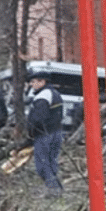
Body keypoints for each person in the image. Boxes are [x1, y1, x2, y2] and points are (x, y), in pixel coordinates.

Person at [26, 70, 64, 198]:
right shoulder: (55, 93)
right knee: (51, 163)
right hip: (56, 132)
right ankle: (58, 189)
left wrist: (31, 135)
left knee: (42, 165)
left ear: (42, 81)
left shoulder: (42, 96)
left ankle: (53, 191)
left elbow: (38, 119)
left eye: (33, 81)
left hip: (44, 134)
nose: (31, 84)